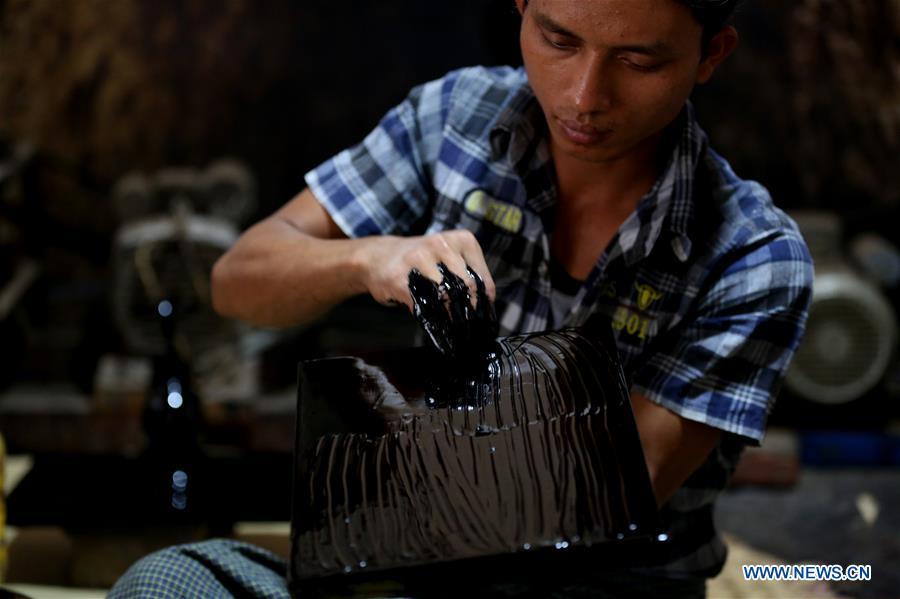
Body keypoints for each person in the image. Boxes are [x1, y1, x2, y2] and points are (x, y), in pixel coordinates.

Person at [110, 0, 813, 597]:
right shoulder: (455, 119)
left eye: (638, 60)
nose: (583, 96)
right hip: (410, 572)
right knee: (167, 581)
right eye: (558, 40)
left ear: (710, 54)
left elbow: (584, 501)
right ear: (521, 8)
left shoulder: (752, 258)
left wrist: (375, 452)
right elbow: (238, 282)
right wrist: (366, 256)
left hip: (600, 584)